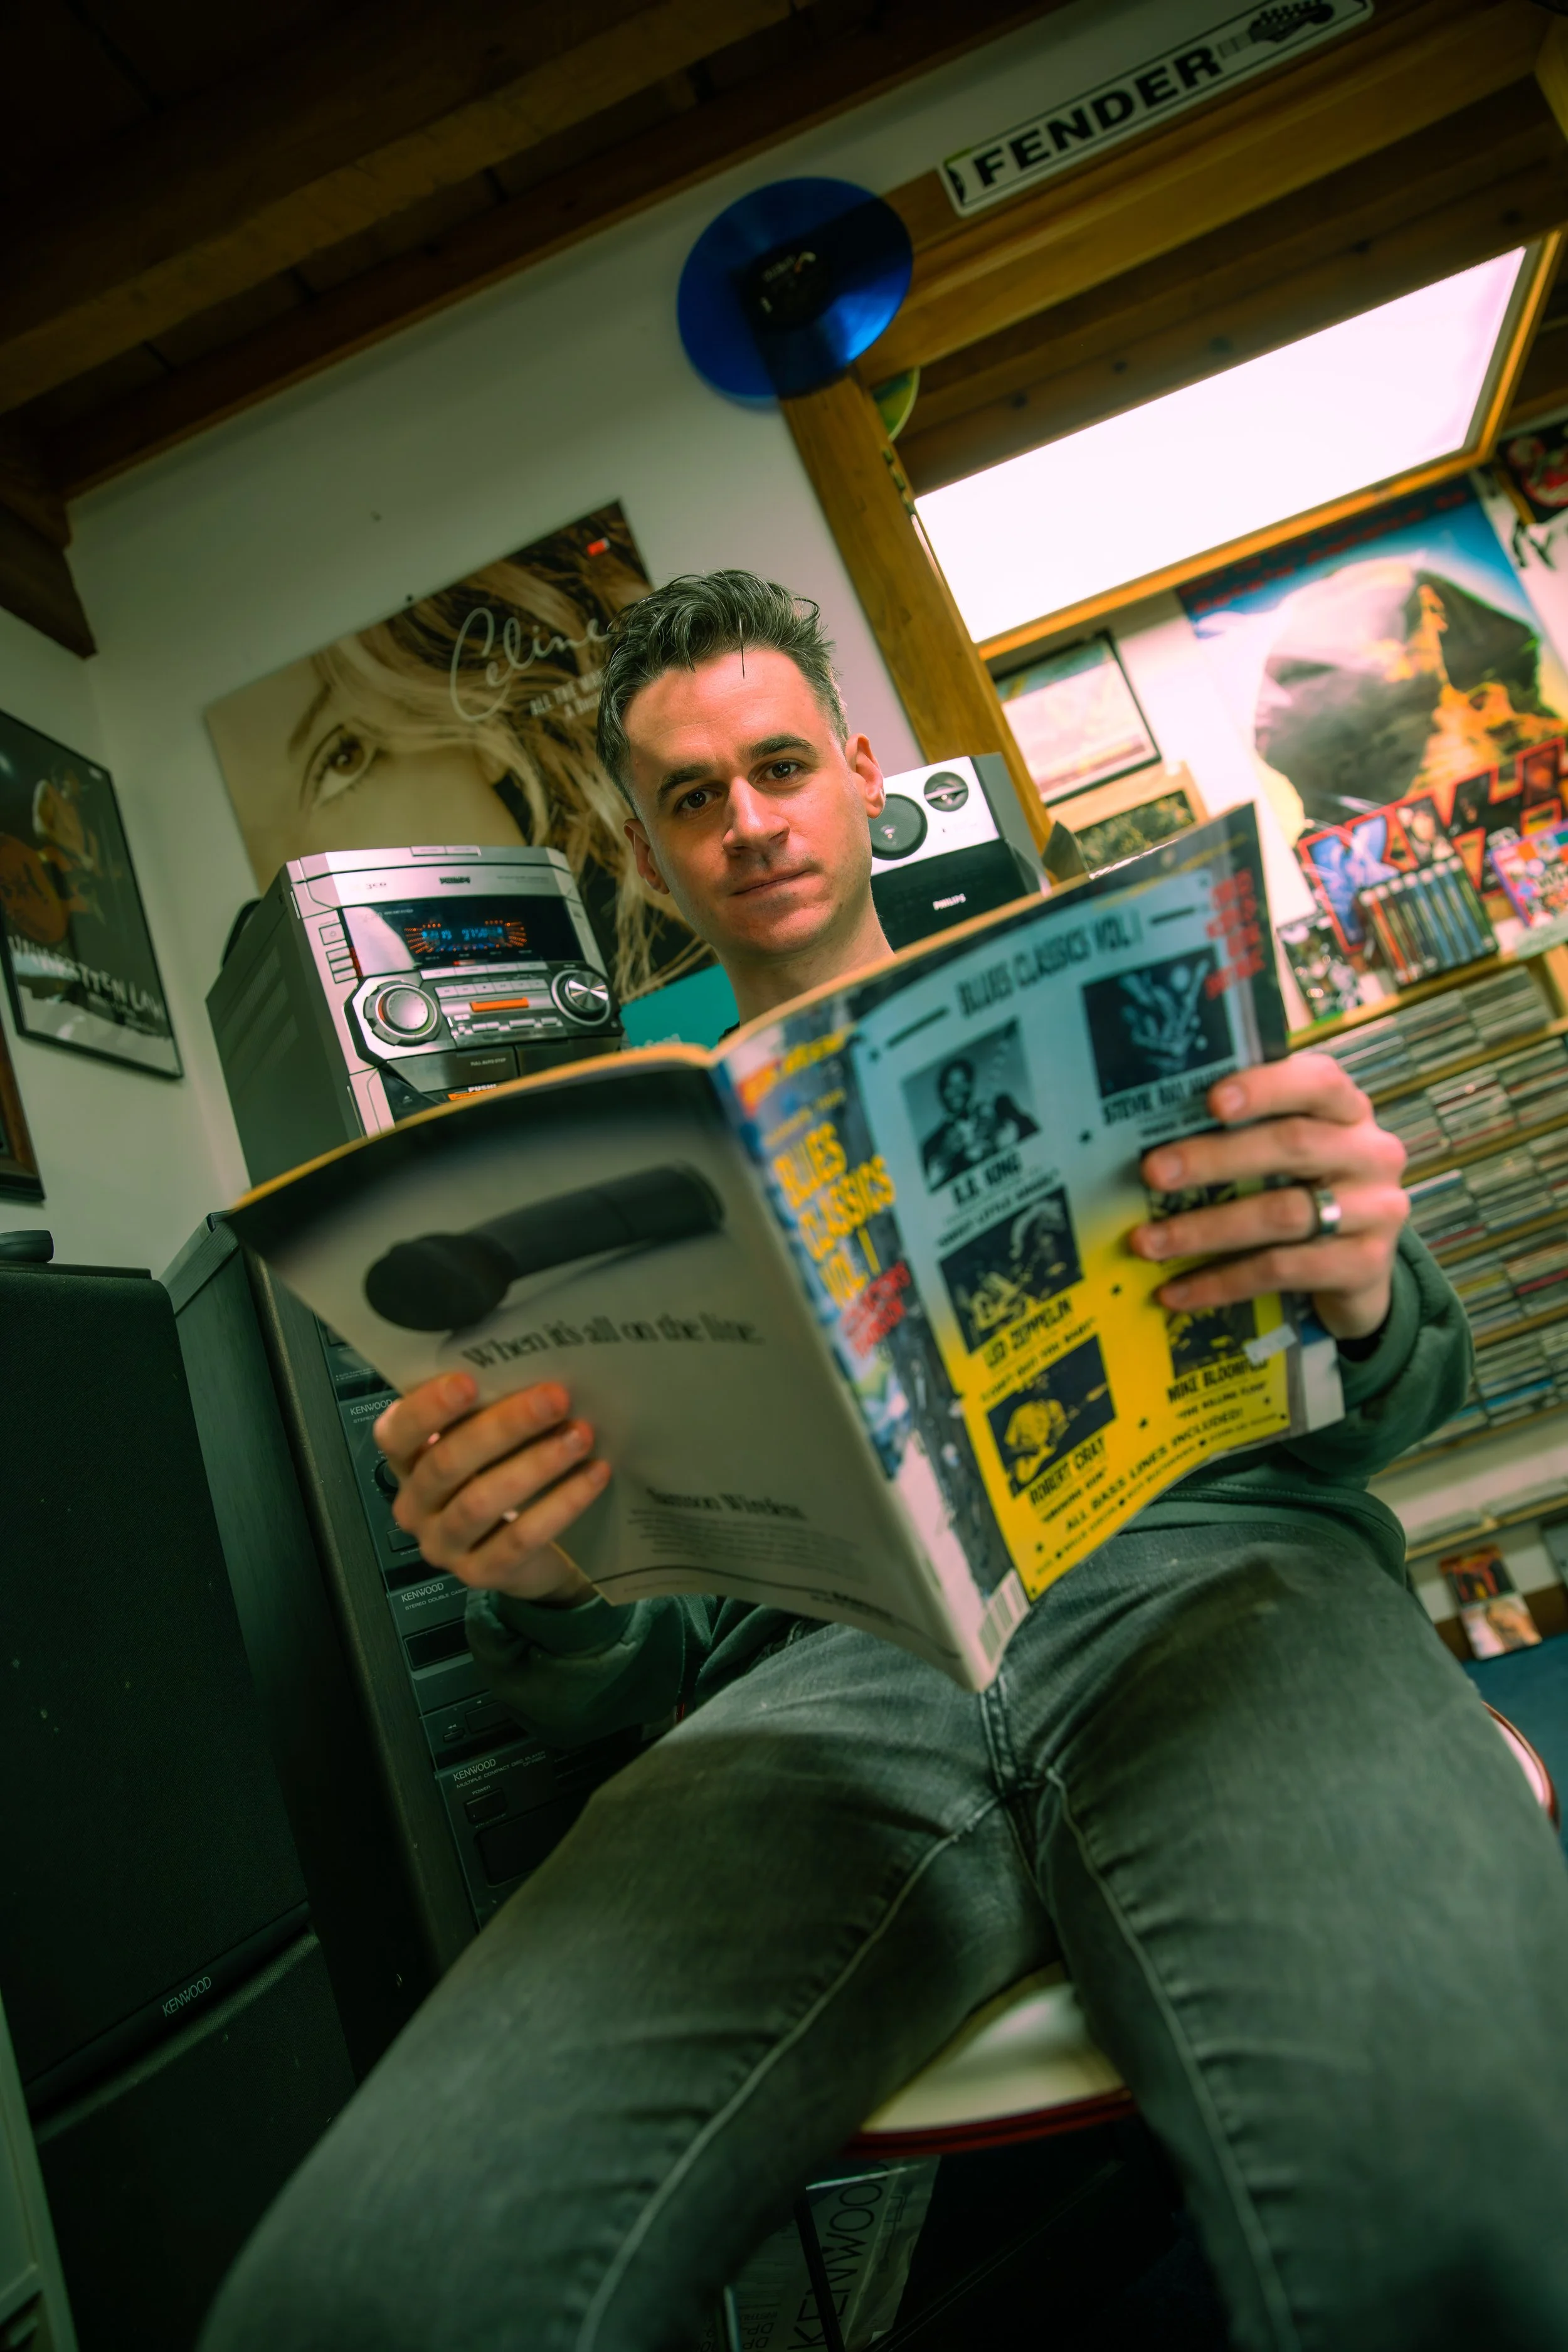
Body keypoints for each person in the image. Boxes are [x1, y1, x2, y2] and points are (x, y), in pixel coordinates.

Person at [203, 573, 1568, 2352]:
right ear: (646, 842)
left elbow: (1399, 1392)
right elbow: (605, 1677)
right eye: (693, 795)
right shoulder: (590, 1153)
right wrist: (541, 1579)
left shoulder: (1107, 1005)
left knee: (1454, 2196)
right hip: (819, 1683)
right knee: (361, 2294)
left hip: (1204, 1583)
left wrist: (1365, 1276)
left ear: (860, 772)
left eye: (778, 766)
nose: (748, 819)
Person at [918, 1052, 1039, 1189]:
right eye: (950, 1086)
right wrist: (946, 1155)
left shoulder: (1000, 1107)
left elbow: (1034, 1133)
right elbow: (929, 1188)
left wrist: (1000, 1128)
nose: (957, 1091)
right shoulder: (931, 1145)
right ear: (941, 1093)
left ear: (971, 1085)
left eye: (962, 1082)